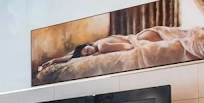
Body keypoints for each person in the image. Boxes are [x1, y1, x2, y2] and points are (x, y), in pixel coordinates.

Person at [38, 27, 167, 71]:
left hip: (141, 38)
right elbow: (72, 57)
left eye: (87, 50)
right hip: (140, 36)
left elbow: (129, 47)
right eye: (87, 55)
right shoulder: (97, 45)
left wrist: (99, 53)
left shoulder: (101, 46)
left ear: (87, 45)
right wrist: (54, 60)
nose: (89, 53)